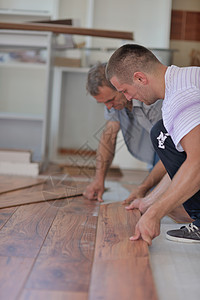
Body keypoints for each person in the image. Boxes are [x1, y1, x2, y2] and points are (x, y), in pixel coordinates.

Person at [106, 43, 200, 245]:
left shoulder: (181, 98)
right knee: (162, 134)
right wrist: (149, 202)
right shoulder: (184, 80)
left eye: (125, 90)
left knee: (160, 134)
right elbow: (186, 161)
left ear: (140, 78)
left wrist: (155, 214)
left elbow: (197, 164)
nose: (127, 98)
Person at [83, 62, 164, 203]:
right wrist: (99, 180)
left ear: (121, 87)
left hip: (173, 151)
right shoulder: (115, 102)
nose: (108, 107)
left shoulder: (153, 101)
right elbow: (109, 137)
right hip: (155, 154)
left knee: (167, 199)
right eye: (103, 103)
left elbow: (173, 153)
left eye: (110, 100)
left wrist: (142, 188)